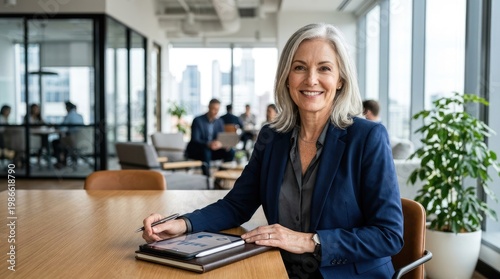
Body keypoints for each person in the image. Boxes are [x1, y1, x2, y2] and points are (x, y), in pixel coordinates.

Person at [142, 23, 403, 278]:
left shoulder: (368, 137)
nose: (311, 79)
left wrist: (308, 241)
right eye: (299, 67)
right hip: (280, 269)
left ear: (340, 80)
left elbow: (388, 235)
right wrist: (182, 224)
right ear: (287, 78)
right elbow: (236, 205)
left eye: (324, 68)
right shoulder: (272, 137)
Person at [185, 98, 235, 176]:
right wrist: (209, 144)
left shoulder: (219, 122)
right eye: (214, 109)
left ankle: (219, 174)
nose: (216, 112)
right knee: (206, 151)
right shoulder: (197, 120)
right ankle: (207, 177)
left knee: (231, 152)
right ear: (209, 107)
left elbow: (220, 138)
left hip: (213, 150)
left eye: (217, 109)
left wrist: (223, 144)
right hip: (198, 150)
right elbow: (195, 139)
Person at [52, 101, 84, 168]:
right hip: (81, 140)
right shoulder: (80, 116)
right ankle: (64, 161)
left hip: (72, 140)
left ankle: (60, 162)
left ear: (68, 108)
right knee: (64, 142)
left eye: (66, 108)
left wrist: (55, 126)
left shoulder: (69, 115)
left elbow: (61, 127)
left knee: (56, 142)